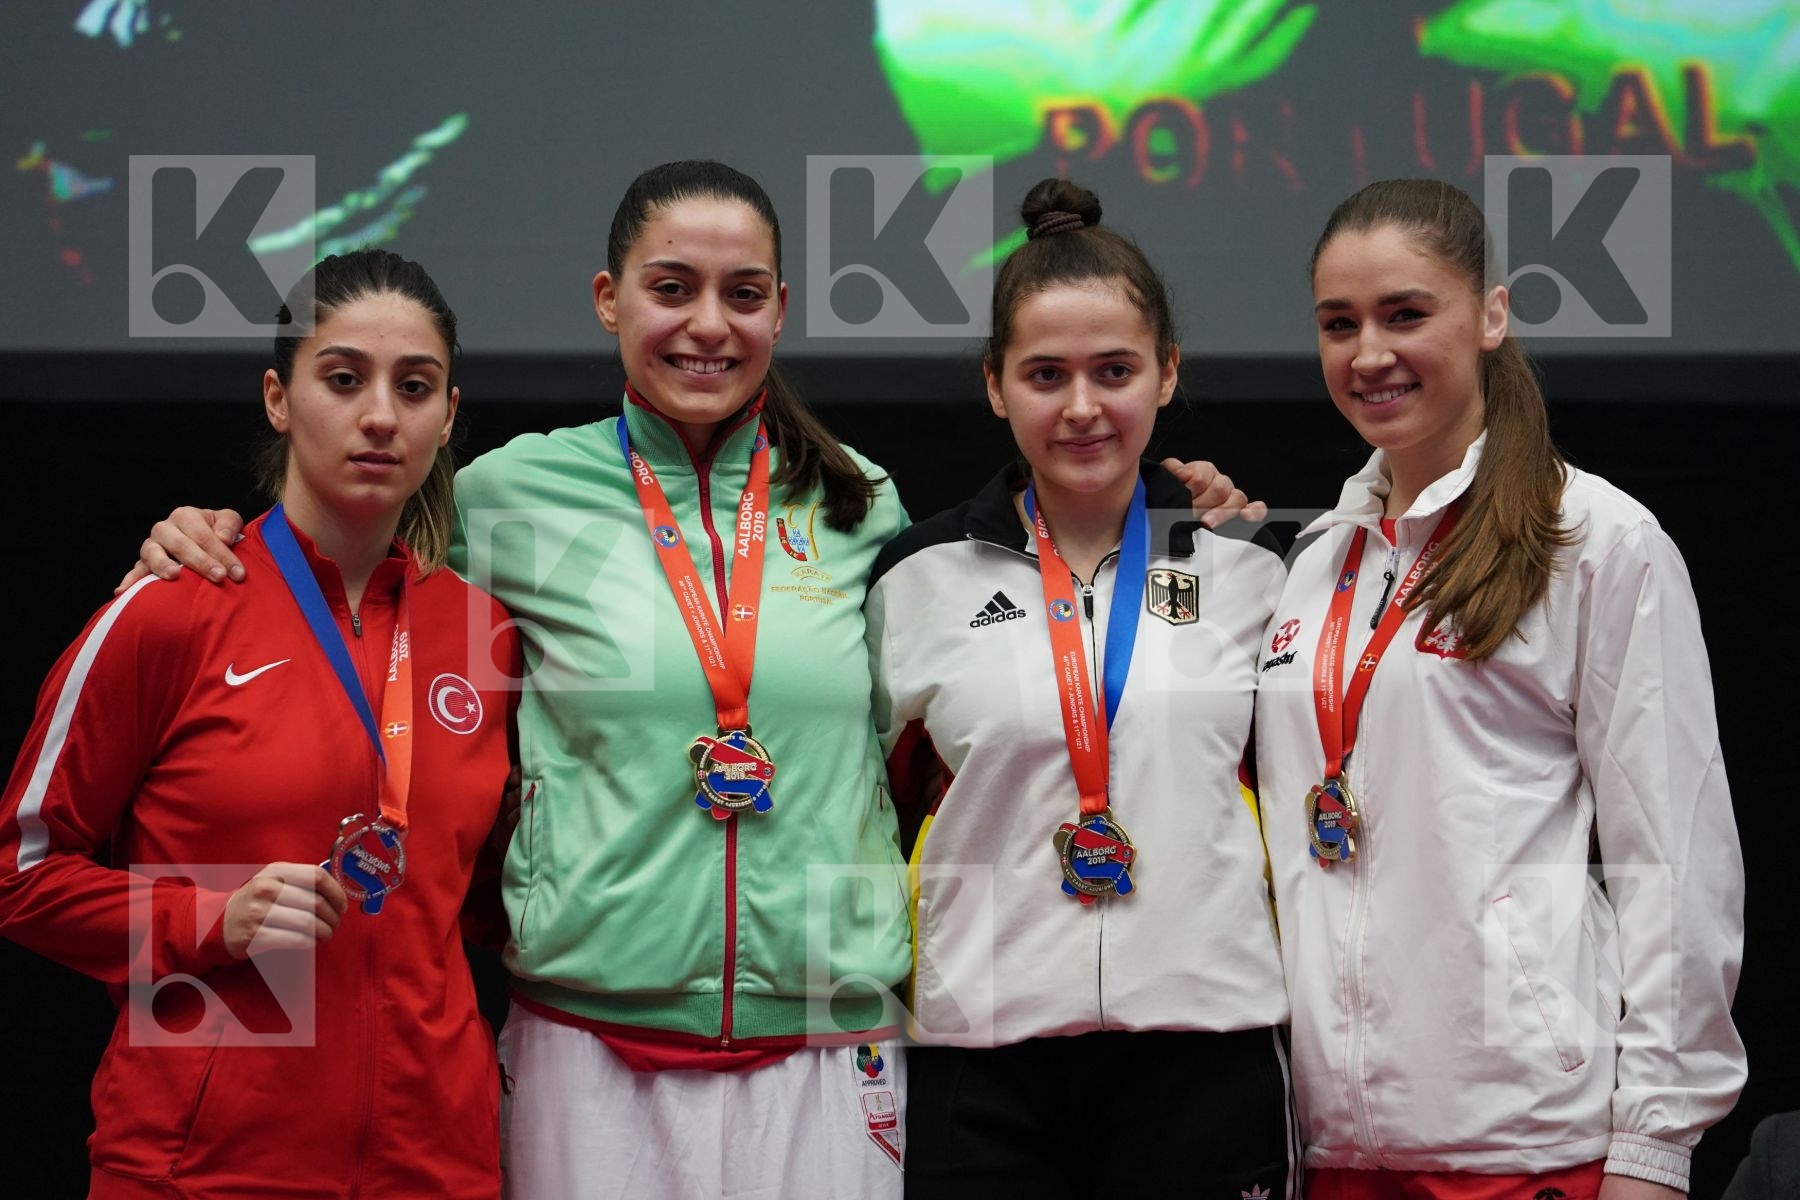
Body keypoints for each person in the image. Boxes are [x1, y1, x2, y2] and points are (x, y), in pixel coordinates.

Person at [111, 160, 1257, 1200]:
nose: (707, 324)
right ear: (610, 300)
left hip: (826, 1039)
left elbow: (962, 720)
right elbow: (346, 588)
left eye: (744, 294)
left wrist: (1178, 518)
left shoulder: (863, 505)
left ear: (780, 312)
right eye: (671, 288)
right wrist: (205, 536)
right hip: (588, 1048)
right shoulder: (511, 499)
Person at [1253, 178, 1745, 1199]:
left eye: (1405, 313)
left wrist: (1655, 1149)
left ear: (1490, 313)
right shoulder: (1318, 559)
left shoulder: (1597, 541)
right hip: (1329, 1147)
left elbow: (1678, 860)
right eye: (1338, 323)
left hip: (1525, 1145)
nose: (1368, 353)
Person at [0, 249, 519, 1199]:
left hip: (437, 1166)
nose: (378, 415)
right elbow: (22, 877)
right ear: (279, 399)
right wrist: (209, 919)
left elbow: (495, 896)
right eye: (343, 378)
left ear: (448, 418)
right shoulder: (173, 607)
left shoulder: (486, 638)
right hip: (202, 1168)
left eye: (415, 387)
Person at [866, 178, 1295, 1199]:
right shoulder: (916, 577)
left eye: (1115, 371)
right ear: (994, 385)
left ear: (1167, 372)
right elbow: (859, 825)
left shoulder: (1250, 570)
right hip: (984, 1065)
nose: (1084, 407)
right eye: (1046, 375)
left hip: (1209, 1051)